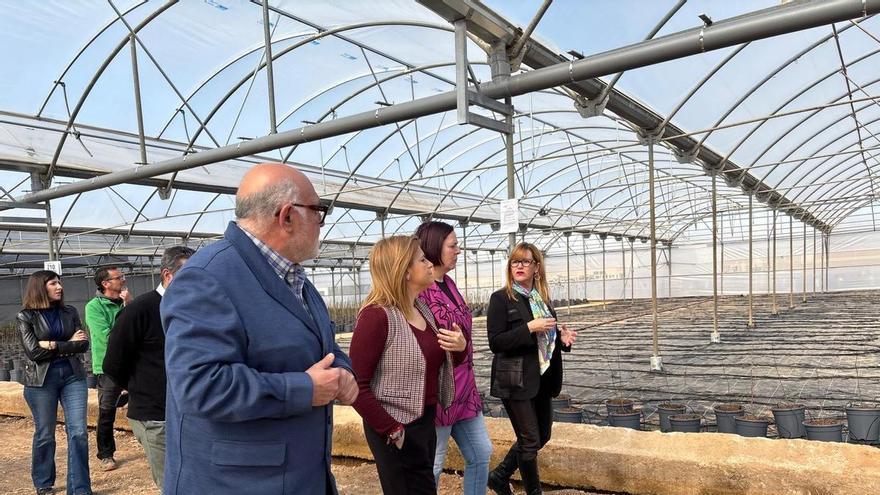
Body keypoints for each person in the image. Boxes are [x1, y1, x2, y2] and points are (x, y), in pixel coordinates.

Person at [160, 163, 357, 495]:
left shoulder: (294, 278)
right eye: (318, 211)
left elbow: (322, 347)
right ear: (287, 217)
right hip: (239, 484)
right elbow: (200, 385)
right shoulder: (207, 277)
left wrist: (342, 370)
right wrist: (303, 389)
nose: (321, 223)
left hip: (297, 476)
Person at [350, 235, 467, 495]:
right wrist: (393, 430)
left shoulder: (421, 309)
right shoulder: (376, 316)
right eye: (422, 259)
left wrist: (459, 349)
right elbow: (355, 385)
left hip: (424, 423)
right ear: (404, 271)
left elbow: (438, 361)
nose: (429, 264)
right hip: (396, 428)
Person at [485, 243, 577, 495]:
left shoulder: (541, 300)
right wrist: (528, 328)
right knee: (529, 441)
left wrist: (563, 339)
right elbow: (496, 342)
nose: (519, 266)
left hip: (541, 380)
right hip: (515, 380)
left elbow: (548, 339)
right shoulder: (501, 299)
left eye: (525, 261)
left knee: (542, 436)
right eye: (515, 262)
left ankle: (499, 476)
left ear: (537, 267)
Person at [102, 246, 194, 489]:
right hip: (156, 416)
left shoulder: (195, 309)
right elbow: (112, 363)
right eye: (190, 274)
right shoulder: (139, 310)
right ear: (167, 275)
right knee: (173, 484)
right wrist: (141, 387)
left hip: (192, 412)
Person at [415, 221, 491, 494]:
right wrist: (456, 346)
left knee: (481, 453)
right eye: (453, 245)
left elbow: (462, 332)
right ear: (434, 248)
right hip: (441, 390)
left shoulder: (449, 283)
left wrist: (462, 344)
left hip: (465, 390)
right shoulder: (421, 291)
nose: (458, 250)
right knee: (433, 464)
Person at [16, 270, 92, 495]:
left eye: (59, 283)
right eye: (53, 283)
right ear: (40, 287)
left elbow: (83, 345)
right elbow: (33, 352)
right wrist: (67, 343)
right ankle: (43, 482)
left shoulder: (70, 312)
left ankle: (79, 488)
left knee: (78, 432)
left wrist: (52, 344)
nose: (59, 287)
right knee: (45, 433)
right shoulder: (26, 316)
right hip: (42, 382)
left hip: (73, 377)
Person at [84, 265, 130, 471]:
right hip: (108, 366)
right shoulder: (94, 307)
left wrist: (128, 306)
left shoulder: (125, 302)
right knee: (106, 411)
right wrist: (128, 311)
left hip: (133, 363)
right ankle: (105, 453)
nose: (123, 280)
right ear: (105, 284)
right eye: (119, 277)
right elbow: (109, 336)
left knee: (147, 402)